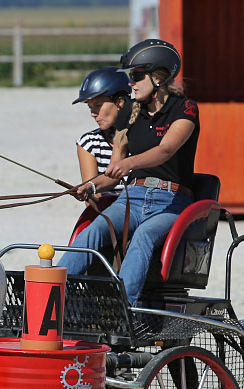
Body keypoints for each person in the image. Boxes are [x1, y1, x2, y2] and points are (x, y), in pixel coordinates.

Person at [58, 39, 200, 307]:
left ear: (158, 77)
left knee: (144, 236)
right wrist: (90, 186)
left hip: (170, 202)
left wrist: (129, 163)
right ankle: (51, 293)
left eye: (136, 76)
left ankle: (121, 307)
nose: (131, 83)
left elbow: (166, 150)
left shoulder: (185, 109)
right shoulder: (130, 116)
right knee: (94, 229)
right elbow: (114, 171)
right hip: (132, 197)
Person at [72, 66, 131, 191]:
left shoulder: (145, 136)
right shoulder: (89, 142)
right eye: (90, 107)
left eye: (98, 105)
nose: (93, 113)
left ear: (119, 102)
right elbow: (93, 198)